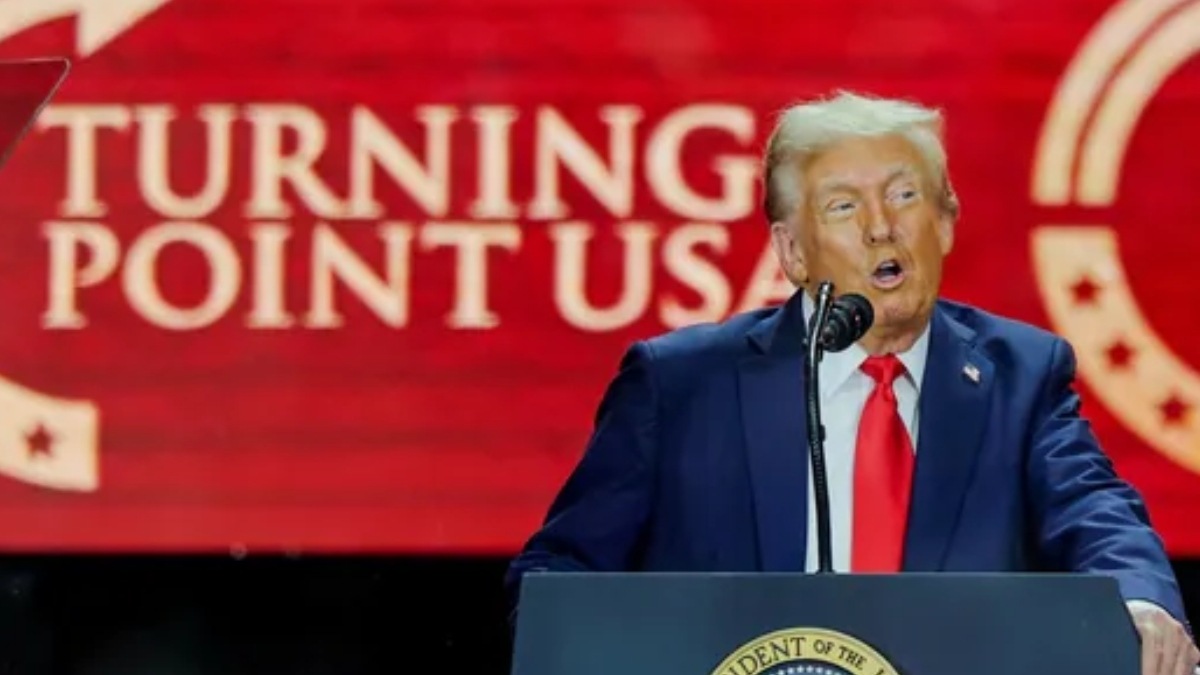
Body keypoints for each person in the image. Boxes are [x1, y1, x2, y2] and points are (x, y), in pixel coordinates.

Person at [504, 91, 1199, 675]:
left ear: (945, 222)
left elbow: (1097, 513)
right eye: (842, 207)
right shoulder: (681, 385)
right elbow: (560, 572)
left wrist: (1142, 603)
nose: (880, 228)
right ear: (792, 252)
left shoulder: (1020, 376)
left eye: (904, 196)